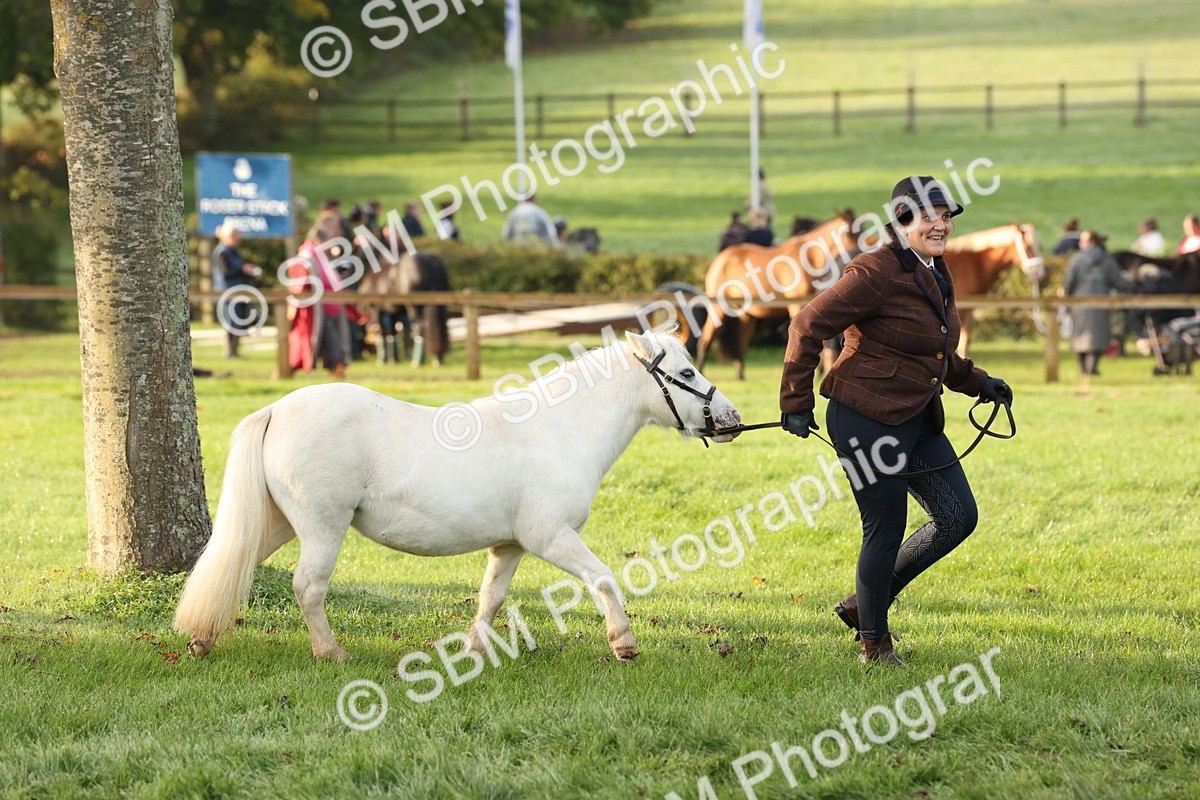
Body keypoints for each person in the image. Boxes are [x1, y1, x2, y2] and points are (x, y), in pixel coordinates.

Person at [779, 176, 1012, 667]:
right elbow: (807, 324)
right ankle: (875, 644)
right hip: (864, 417)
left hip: (917, 416)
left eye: (947, 216)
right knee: (885, 529)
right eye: (930, 216)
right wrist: (795, 401)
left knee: (958, 517)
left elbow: (939, 351)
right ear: (903, 219)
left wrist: (980, 382)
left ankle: (864, 604)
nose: (941, 225)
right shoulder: (875, 270)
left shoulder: (937, 270)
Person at [1059, 230, 1133, 383]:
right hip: (1101, 307)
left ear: (1089, 242)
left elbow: (1068, 284)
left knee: (1079, 338)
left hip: (1078, 306)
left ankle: (1083, 369)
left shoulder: (1076, 260)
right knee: (1098, 338)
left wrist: (1065, 300)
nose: (1079, 244)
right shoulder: (1107, 260)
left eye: (1082, 241)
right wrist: (1134, 282)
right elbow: (1120, 283)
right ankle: (1092, 369)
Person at [212, 221, 262, 358]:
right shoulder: (222, 252)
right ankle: (229, 351)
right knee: (231, 322)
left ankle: (234, 351)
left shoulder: (234, 251)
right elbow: (225, 272)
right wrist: (242, 269)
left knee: (239, 321)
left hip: (238, 292)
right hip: (227, 292)